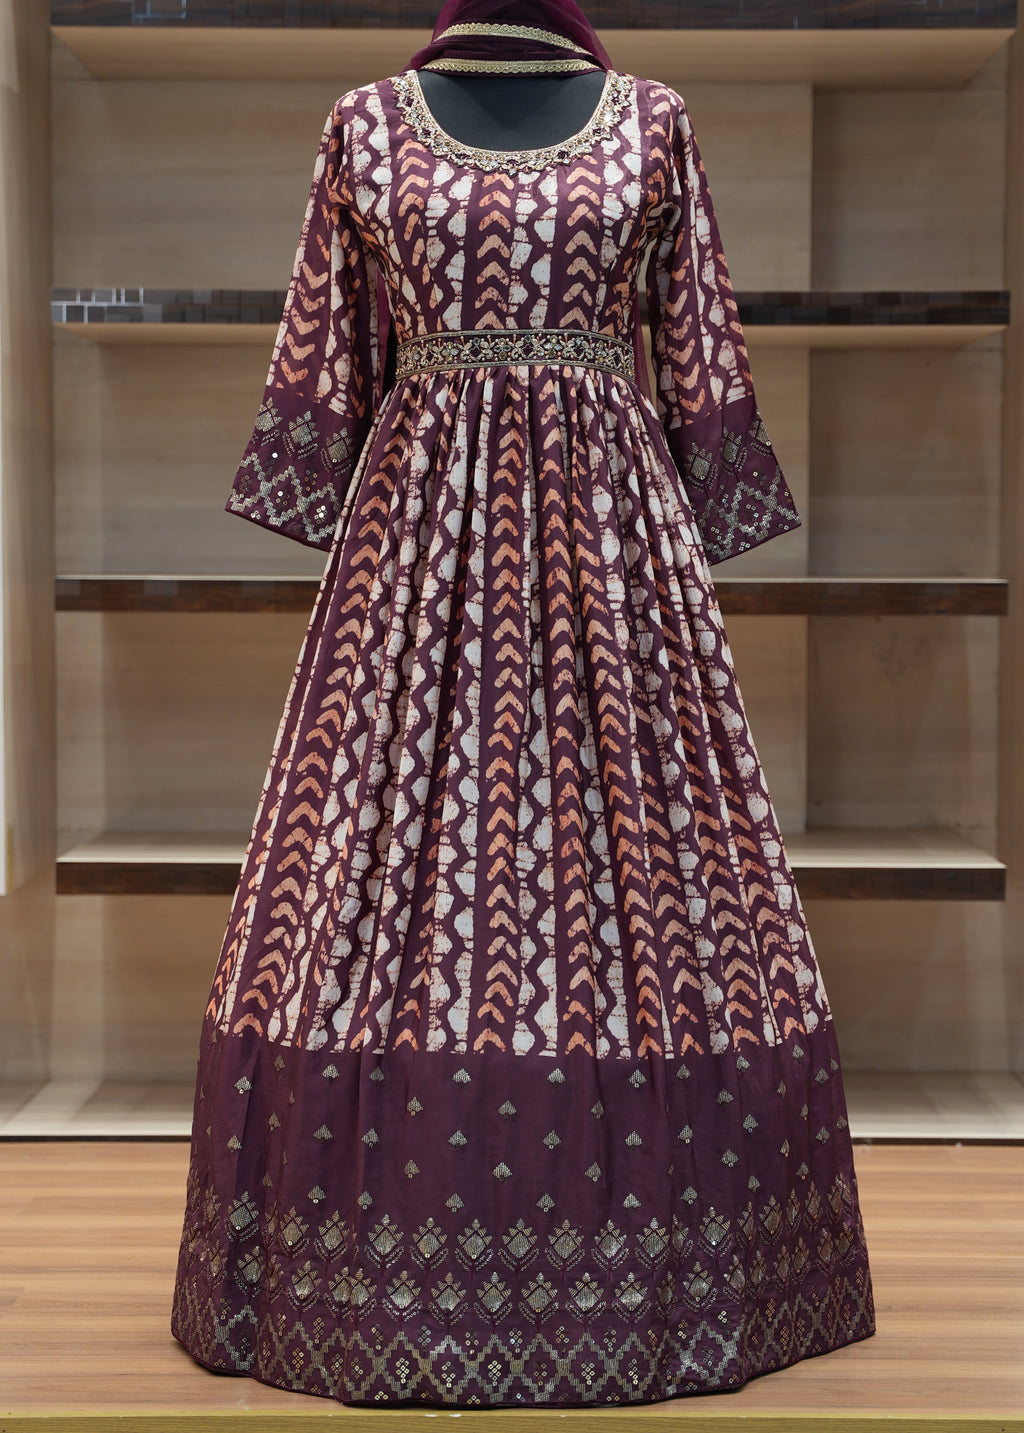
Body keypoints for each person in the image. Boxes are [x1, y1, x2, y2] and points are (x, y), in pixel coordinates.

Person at [171, 0, 876, 1406]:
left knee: (659, 869)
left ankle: (698, 1262)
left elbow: (699, 359)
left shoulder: (658, 122)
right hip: (415, 557)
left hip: (618, 561)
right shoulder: (362, 127)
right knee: (371, 860)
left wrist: (705, 477)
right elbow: (328, 370)